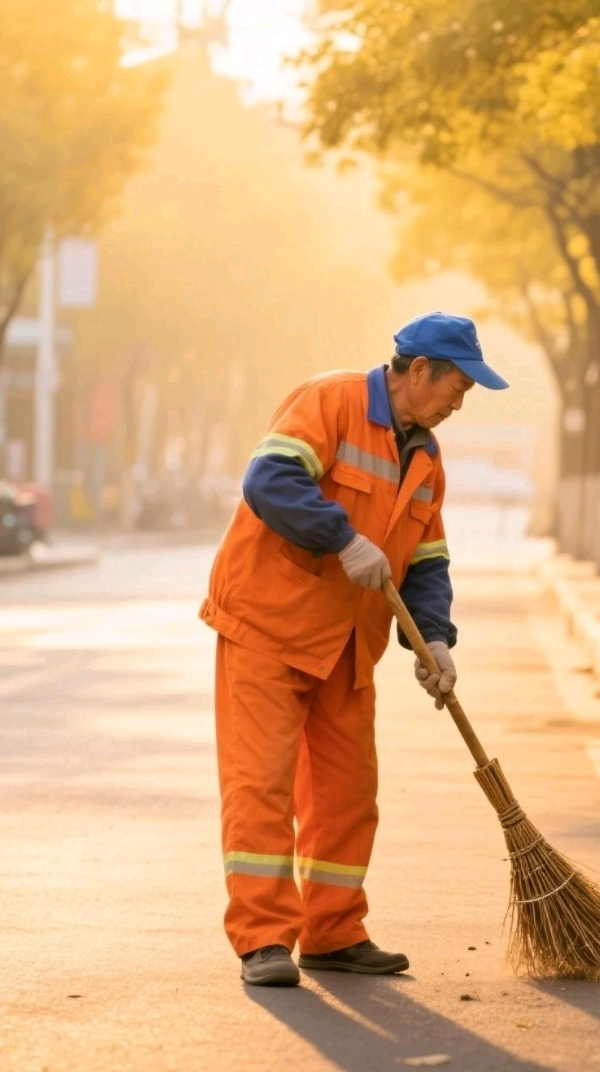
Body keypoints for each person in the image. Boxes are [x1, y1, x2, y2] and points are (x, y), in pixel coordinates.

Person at [200, 312, 509, 987]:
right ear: (419, 369)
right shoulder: (331, 401)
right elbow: (269, 481)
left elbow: (426, 558)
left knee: (347, 793)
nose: (461, 402)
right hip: (269, 628)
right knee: (262, 787)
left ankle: (332, 930)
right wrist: (340, 537)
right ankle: (263, 940)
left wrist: (436, 640)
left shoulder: (426, 456)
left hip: (345, 644)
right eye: (457, 386)